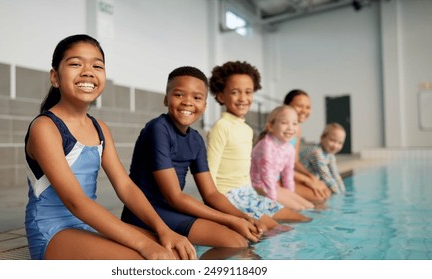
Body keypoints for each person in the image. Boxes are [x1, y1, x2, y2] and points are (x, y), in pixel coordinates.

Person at [24, 34, 196, 260]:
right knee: (150, 261)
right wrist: (144, 244)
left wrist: (163, 229)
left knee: (175, 251)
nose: (87, 71)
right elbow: (76, 201)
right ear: (55, 77)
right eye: (75, 64)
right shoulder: (45, 127)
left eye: (97, 65)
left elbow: (125, 186)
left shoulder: (100, 129)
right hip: (53, 231)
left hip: (89, 225)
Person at [121, 66, 263, 249]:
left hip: (172, 210)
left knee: (244, 238)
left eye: (196, 98)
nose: (188, 102)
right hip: (145, 212)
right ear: (166, 99)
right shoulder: (158, 129)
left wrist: (244, 217)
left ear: (204, 105)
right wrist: (230, 220)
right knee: (234, 242)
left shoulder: (196, 139)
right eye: (179, 95)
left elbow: (211, 193)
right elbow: (175, 197)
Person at [206, 61, 310, 227]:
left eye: (248, 92)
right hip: (229, 197)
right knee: (278, 229)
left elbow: (245, 172)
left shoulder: (247, 129)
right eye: (235, 92)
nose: (243, 98)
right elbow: (209, 174)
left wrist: (259, 196)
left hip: (248, 194)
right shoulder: (221, 127)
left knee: (303, 219)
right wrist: (219, 210)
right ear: (220, 96)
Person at [251, 105, 315, 211]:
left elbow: (288, 174)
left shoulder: (289, 147)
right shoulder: (266, 145)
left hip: (273, 185)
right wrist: (273, 204)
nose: (290, 128)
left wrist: (290, 194)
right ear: (271, 126)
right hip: (257, 186)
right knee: (299, 208)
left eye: (294, 123)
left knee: (309, 206)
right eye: (284, 123)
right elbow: (266, 175)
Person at [283, 89, 331, 205]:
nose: (304, 111)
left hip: (287, 174)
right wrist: (306, 180)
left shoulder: (297, 129)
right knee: (318, 196)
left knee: (324, 191)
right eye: (300, 106)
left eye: (308, 107)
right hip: (272, 178)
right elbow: (278, 167)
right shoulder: (281, 128)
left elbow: (294, 162)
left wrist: (312, 178)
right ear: (287, 106)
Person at [300, 123, 346, 194]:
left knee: (327, 188)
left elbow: (336, 175)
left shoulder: (330, 155)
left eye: (340, 143)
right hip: (298, 180)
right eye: (332, 140)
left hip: (310, 180)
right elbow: (326, 177)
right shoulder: (316, 152)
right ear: (322, 137)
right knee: (325, 191)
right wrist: (339, 194)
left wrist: (344, 193)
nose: (335, 146)